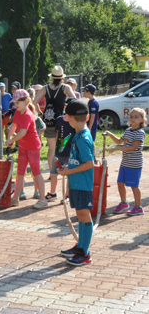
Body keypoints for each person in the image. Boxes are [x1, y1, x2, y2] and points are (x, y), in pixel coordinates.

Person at [57, 99, 95, 266]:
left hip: (82, 183)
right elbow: (80, 160)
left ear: (70, 118)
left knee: (84, 215)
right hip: (76, 182)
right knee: (80, 214)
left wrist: (68, 171)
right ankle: (80, 246)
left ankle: (84, 253)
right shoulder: (79, 135)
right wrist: (68, 166)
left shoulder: (82, 138)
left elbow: (89, 163)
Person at [5, 89, 48, 209]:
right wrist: (9, 139)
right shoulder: (18, 112)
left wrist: (11, 140)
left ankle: (43, 199)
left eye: (18, 102)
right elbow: (13, 126)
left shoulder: (28, 115)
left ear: (26, 101)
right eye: (15, 103)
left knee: (36, 172)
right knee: (20, 172)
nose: (15, 105)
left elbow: (22, 133)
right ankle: (15, 198)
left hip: (33, 147)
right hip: (23, 147)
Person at [33, 66, 77, 174]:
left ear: (52, 77)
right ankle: (64, 169)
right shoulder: (65, 88)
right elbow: (75, 100)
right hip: (61, 120)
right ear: (62, 78)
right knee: (63, 146)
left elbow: (34, 102)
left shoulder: (45, 88)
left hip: (49, 120)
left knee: (52, 148)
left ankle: (52, 172)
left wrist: (40, 113)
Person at [105, 107, 147, 216]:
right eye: (131, 117)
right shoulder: (128, 131)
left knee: (134, 186)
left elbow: (133, 147)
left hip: (134, 164)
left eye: (136, 117)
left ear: (142, 119)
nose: (133, 119)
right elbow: (120, 141)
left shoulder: (140, 133)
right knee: (120, 183)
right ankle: (124, 203)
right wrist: (110, 134)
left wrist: (117, 149)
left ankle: (138, 207)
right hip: (125, 163)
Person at [46, 98, 75, 203]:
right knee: (53, 173)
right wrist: (55, 148)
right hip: (58, 152)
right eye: (65, 106)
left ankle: (67, 195)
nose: (66, 108)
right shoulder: (59, 119)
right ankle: (52, 193)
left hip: (69, 153)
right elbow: (58, 134)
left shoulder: (74, 121)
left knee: (69, 175)